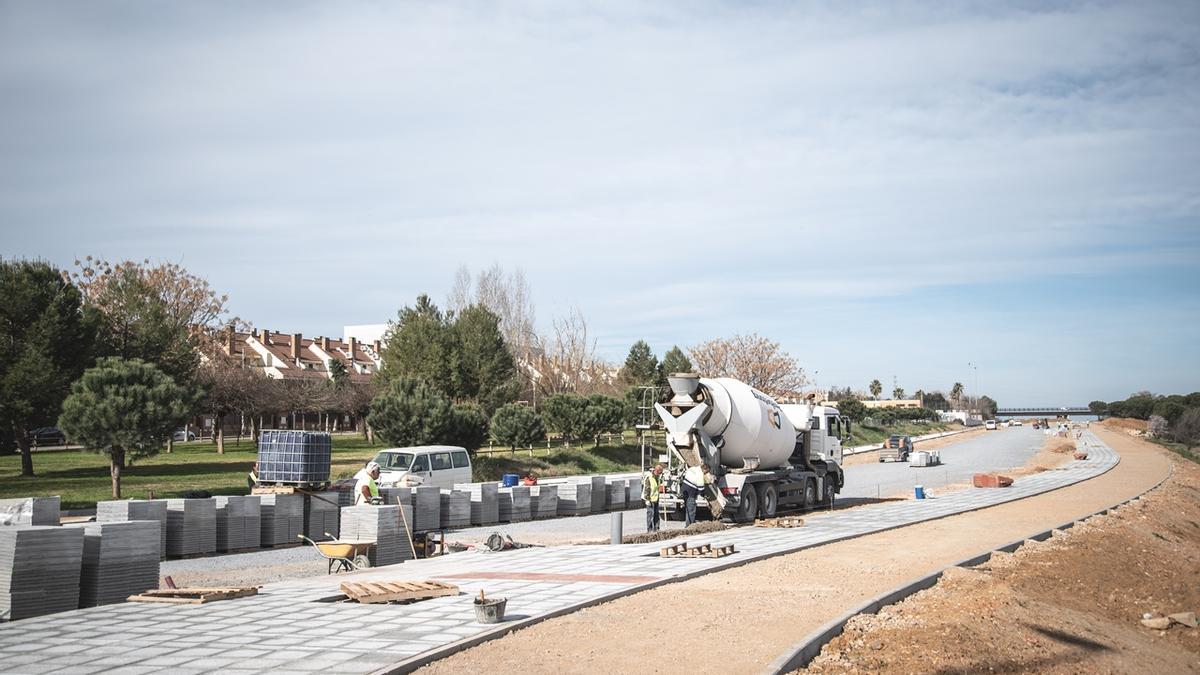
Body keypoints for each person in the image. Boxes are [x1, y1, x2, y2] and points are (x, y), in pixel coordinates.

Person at [642, 463, 664, 533]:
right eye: (659, 473)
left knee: (656, 514)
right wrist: (647, 499)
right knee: (650, 514)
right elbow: (647, 489)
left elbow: (657, 487)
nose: (659, 475)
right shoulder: (649, 477)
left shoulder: (657, 477)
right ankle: (649, 529)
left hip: (656, 498)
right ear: (656, 471)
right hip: (650, 499)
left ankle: (657, 528)